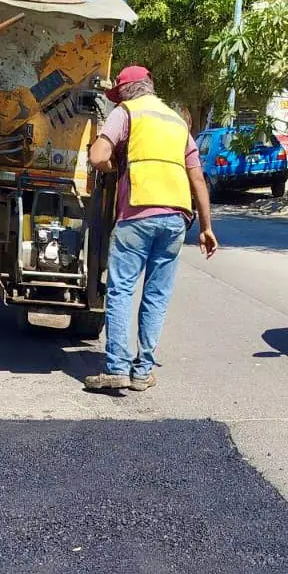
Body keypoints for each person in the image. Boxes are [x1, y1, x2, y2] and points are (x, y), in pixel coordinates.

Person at [83, 66, 218, 393]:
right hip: (176, 218)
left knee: (121, 289)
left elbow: (97, 155)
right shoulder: (176, 121)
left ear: (126, 92)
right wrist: (206, 227)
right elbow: (197, 176)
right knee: (156, 295)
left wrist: (112, 166)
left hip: (138, 213)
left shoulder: (126, 112)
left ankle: (116, 367)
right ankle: (142, 371)